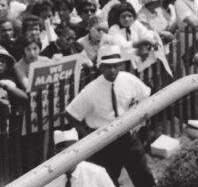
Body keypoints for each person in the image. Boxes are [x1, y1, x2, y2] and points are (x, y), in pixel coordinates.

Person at [66, 45, 155, 187]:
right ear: (100, 67)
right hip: (105, 142)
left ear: (120, 65)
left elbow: (146, 97)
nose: (112, 70)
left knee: (143, 175)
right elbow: (71, 114)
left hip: (128, 136)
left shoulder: (129, 80)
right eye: (108, 66)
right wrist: (87, 136)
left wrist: (139, 122)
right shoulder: (91, 90)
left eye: (115, 65)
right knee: (107, 180)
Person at [42, 129, 116, 187]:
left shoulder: (96, 173)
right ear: (56, 153)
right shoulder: (47, 179)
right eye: (64, 153)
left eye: (73, 152)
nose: (69, 158)